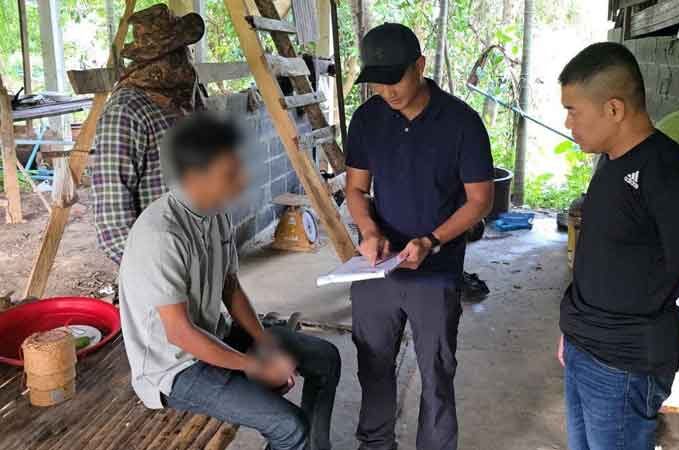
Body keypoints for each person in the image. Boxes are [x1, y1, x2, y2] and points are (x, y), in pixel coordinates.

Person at [118, 113, 341, 450]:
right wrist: (256, 365)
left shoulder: (215, 211)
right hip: (174, 368)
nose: (241, 181)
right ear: (195, 177)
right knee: (288, 426)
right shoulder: (161, 234)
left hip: (214, 335)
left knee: (325, 358)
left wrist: (264, 343)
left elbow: (230, 287)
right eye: (230, 173)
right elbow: (180, 334)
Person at [556, 42, 679, 450]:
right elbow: (602, 258)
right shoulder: (611, 159)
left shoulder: (666, 175)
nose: (568, 123)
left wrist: (673, 337)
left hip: (623, 369)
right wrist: (573, 327)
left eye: (573, 110)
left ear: (613, 109)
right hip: (583, 346)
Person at [344, 23, 494, 450]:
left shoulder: (461, 122)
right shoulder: (368, 119)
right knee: (373, 363)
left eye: (395, 79)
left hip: (436, 270)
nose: (387, 91)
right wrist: (369, 231)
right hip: (378, 267)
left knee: (436, 370)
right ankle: (375, 444)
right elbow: (356, 190)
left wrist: (431, 241)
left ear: (421, 67)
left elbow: (480, 200)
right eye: (378, 81)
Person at [93, 3, 206, 264]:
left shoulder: (186, 99)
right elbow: (113, 226)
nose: (186, 60)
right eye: (176, 53)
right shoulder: (125, 112)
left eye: (184, 50)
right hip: (161, 264)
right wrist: (157, 273)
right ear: (155, 63)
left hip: (201, 253)